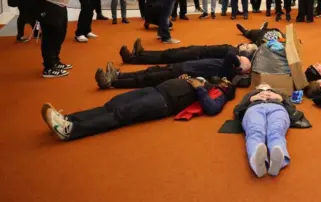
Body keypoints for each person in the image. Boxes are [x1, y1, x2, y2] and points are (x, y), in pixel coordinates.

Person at [41, 77, 234, 141]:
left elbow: (211, 108)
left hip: (164, 103)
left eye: (226, 81)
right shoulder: (210, 81)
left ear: (226, 88)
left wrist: (198, 86)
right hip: (156, 90)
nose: (223, 79)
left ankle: (70, 131)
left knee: (120, 114)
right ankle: (69, 119)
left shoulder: (220, 95)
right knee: (112, 105)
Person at [233, 83, 306, 177]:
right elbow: (238, 109)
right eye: (261, 85)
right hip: (254, 108)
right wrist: (252, 99)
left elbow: (292, 109)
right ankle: (256, 159)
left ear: (271, 88)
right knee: (255, 131)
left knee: (276, 131)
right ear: (257, 88)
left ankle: (278, 159)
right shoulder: (251, 94)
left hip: (277, 108)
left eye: (266, 84)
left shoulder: (279, 93)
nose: (264, 84)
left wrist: (279, 98)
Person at [95, 51, 252, 89]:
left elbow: (231, 55)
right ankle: (119, 75)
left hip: (181, 72)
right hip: (181, 66)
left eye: (240, 59)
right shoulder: (226, 65)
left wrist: (239, 64)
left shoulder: (227, 70)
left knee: (146, 79)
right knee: (149, 72)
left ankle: (112, 82)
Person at [119, 37, 258, 65]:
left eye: (246, 46)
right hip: (197, 50)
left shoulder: (233, 53)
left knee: (167, 57)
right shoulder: (233, 49)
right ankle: (142, 53)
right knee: (168, 53)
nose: (244, 44)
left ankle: (132, 59)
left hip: (196, 56)